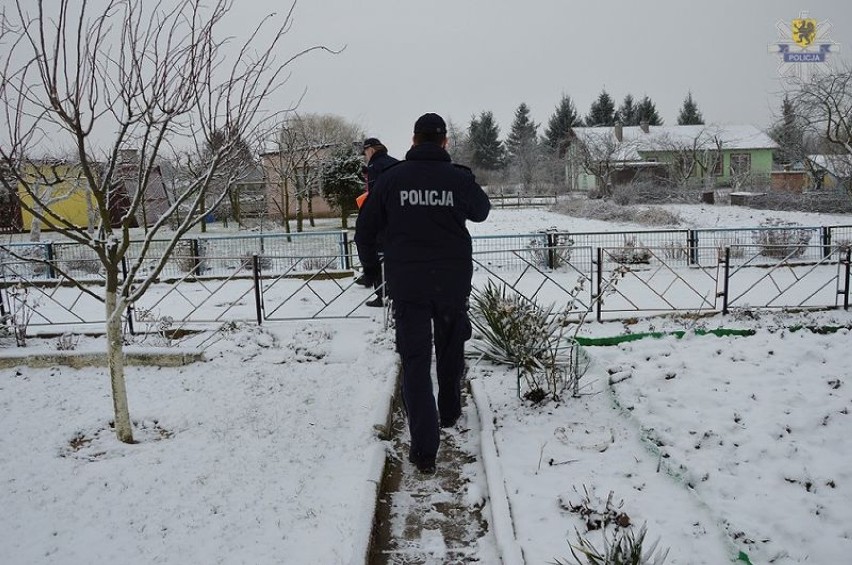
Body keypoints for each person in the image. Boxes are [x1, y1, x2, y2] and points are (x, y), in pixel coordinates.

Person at [355, 113, 491, 474]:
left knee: (415, 361)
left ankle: (425, 449)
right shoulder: (458, 178)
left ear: (413, 141)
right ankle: (448, 413)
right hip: (451, 282)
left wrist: (373, 272)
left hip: (408, 285)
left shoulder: (391, 180)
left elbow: (364, 230)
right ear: (445, 142)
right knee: (450, 347)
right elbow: (482, 211)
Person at [354, 137, 398, 307]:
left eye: (365, 153)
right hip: (398, 217)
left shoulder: (374, 166)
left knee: (375, 253)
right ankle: (392, 292)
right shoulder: (394, 163)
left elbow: (375, 196)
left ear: (371, 150)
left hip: (382, 220)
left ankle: (381, 294)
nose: (365, 156)